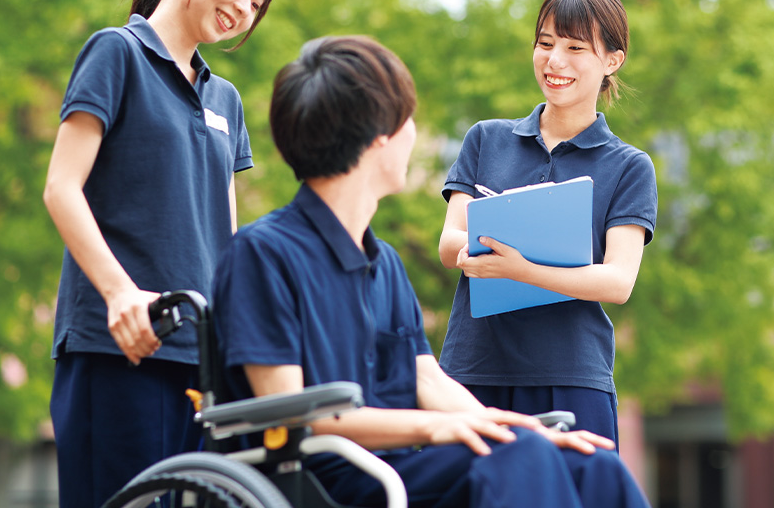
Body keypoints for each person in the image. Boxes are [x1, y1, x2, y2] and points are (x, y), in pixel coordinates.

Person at [213, 35, 650, 508]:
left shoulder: (382, 265)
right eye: (406, 120)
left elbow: (426, 379)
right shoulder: (263, 253)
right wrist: (438, 426)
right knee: (519, 457)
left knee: (592, 467)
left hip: (397, 463)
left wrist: (512, 426)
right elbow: (290, 413)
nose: (413, 134)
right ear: (377, 138)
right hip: (330, 473)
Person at [43, 0, 280, 508]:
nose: (245, 7)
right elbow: (61, 188)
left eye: (258, 2)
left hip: (198, 363)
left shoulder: (224, 97)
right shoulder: (115, 54)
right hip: (117, 346)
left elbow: (223, 237)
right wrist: (122, 295)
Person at [437, 0, 658, 446]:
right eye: (545, 43)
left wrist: (522, 269)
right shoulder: (486, 139)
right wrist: (486, 249)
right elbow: (449, 243)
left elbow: (618, 282)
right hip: (472, 371)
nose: (555, 60)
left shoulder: (628, 166)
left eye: (576, 47)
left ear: (612, 61)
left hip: (571, 378)